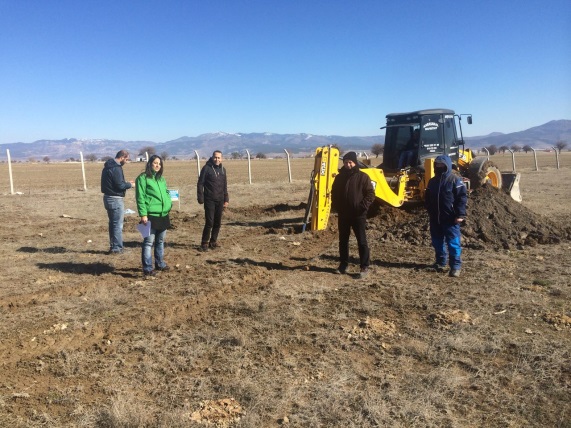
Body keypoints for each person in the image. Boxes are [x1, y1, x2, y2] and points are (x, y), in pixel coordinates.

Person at [331, 151, 376, 279]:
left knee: (361, 241)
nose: (348, 165)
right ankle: (343, 265)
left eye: (350, 162)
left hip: (358, 215)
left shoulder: (363, 177)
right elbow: (334, 193)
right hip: (344, 214)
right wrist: (337, 206)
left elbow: (370, 194)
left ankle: (364, 266)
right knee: (343, 241)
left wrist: (362, 207)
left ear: (354, 163)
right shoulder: (339, 177)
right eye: (345, 162)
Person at [424, 155, 467, 277]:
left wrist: (460, 214)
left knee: (453, 243)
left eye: (442, 165)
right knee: (437, 242)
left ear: (447, 165)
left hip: (450, 218)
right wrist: (429, 209)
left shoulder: (454, 180)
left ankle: (455, 266)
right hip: (435, 218)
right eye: (437, 164)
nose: (439, 167)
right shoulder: (432, 181)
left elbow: (462, 198)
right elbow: (427, 197)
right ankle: (440, 262)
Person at [135, 155, 172, 277]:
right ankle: (147, 268)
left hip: (163, 214)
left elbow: (166, 193)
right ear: (150, 163)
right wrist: (143, 214)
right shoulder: (143, 178)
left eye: (159, 164)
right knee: (148, 242)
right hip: (151, 215)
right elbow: (140, 197)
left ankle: (160, 263)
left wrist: (168, 204)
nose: (157, 165)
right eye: (155, 163)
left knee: (160, 241)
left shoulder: (161, 179)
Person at [101, 150, 135, 254]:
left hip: (107, 198)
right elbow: (119, 186)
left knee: (112, 223)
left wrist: (125, 183)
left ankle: (113, 246)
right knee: (117, 225)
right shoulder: (116, 168)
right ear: (122, 157)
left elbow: (114, 183)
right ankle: (117, 248)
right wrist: (130, 185)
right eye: (127, 159)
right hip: (115, 199)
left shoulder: (107, 167)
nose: (127, 161)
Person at [197, 150, 229, 251]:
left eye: (219, 157)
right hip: (209, 199)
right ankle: (204, 243)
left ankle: (213, 241)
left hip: (220, 200)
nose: (217, 159)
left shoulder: (223, 170)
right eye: (215, 157)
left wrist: (226, 199)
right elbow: (200, 183)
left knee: (217, 222)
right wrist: (200, 197)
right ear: (212, 157)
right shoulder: (206, 168)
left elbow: (225, 186)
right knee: (209, 222)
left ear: (222, 158)